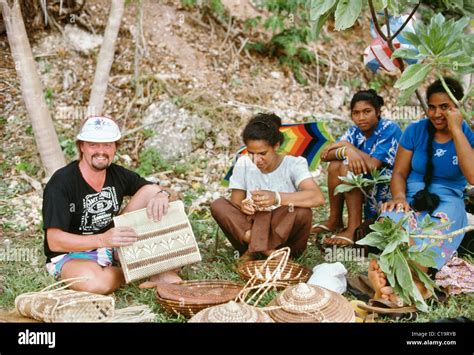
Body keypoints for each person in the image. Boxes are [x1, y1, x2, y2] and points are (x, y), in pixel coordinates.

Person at [42, 116, 182, 295]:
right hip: (71, 254)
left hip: (111, 245)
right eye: (93, 144)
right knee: (95, 284)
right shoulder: (61, 183)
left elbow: (159, 190)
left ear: (115, 147)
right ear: (81, 147)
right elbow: (54, 241)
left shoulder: (117, 174)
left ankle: (140, 262)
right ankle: (141, 271)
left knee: (151, 191)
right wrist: (102, 239)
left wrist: (163, 194)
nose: (101, 151)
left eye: (107, 145)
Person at [370, 77, 474, 304]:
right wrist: (398, 197)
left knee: (433, 232)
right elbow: (399, 173)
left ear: (458, 107)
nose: (437, 113)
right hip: (411, 196)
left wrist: (456, 129)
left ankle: (409, 284)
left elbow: (472, 177)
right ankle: (405, 283)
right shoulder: (415, 131)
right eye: (432, 107)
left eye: (445, 107)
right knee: (393, 221)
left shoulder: (467, 133)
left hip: (448, 199)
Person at [211, 113, 325, 260]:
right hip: (251, 230)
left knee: (303, 212)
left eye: (262, 153)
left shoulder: (294, 164)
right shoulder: (243, 163)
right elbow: (235, 205)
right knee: (219, 205)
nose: (256, 160)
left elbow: (317, 197)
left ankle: (256, 250)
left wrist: (276, 198)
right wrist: (245, 206)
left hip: (285, 240)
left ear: (276, 145)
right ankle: (269, 252)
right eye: (251, 153)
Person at [314, 89, 402, 246]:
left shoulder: (389, 128)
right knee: (336, 164)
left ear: (378, 111)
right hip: (364, 183)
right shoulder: (354, 131)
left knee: (345, 165)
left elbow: (373, 165)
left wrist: (349, 148)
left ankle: (354, 228)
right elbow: (325, 155)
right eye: (356, 113)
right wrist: (347, 150)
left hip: (385, 186)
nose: (361, 118)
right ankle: (335, 219)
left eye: (367, 111)